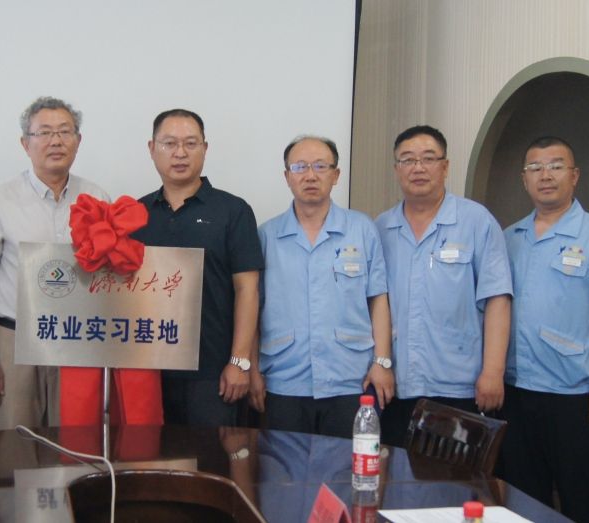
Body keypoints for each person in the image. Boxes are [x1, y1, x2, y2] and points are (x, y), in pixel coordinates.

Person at [500, 136, 589, 523]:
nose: (545, 175)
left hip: (573, 395)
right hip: (515, 391)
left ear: (574, 176)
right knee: (522, 502)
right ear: (524, 179)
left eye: (556, 166)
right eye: (535, 168)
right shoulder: (509, 238)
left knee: (580, 501)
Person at [0, 97, 112, 430]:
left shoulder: (98, 198)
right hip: (13, 339)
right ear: (25, 143)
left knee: (75, 439)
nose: (56, 141)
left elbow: (108, 278)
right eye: (44, 132)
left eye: (64, 132)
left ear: (78, 141)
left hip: (78, 339)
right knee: (13, 441)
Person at [374, 125, 512, 446]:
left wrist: (493, 371)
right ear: (397, 169)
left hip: (459, 384)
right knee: (396, 471)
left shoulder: (476, 221)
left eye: (428, 158)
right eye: (408, 160)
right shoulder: (381, 228)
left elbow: (497, 299)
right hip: (397, 384)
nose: (418, 168)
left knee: (453, 472)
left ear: (445, 166)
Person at [130, 108, 263, 427]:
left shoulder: (233, 211)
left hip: (213, 371)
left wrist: (240, 361)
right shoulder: (134, 213)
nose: (180, 153)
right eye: (169, 143)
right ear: (151, 148)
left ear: (205, 148)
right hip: (147, 369)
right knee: (149, 454)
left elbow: (247, 290)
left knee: (209, 456)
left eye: (190, 143)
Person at [257, 136, 394, 436]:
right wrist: (253, 368)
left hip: (351, 379)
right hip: (284, 380)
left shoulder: (361, 229)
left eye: (320, 166)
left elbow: (378, 300)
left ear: (336, 175)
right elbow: (254, 307)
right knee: (283, 466)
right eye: (300, 167)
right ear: (287, 176)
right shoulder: (266, 236)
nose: (310, 175)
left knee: (345, 465)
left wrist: (382, 361)